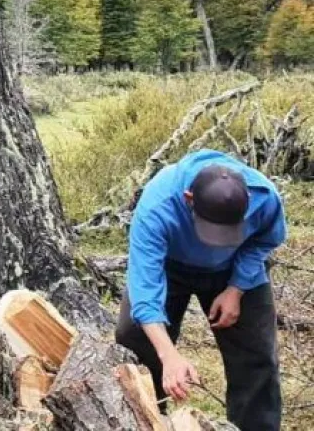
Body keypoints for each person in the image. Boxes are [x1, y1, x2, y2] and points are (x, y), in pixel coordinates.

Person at [115, 149, 285, 431]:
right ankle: (147, 421)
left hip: (234, 266)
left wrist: (237, 288)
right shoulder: (158, 205)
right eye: (211, 228)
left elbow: (266, 240)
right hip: (170, 266)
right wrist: (169, 357)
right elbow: (144, 293)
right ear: (189, 199)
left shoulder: (263, 196)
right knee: (134, 337)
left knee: (257, 356)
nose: (216, 240)